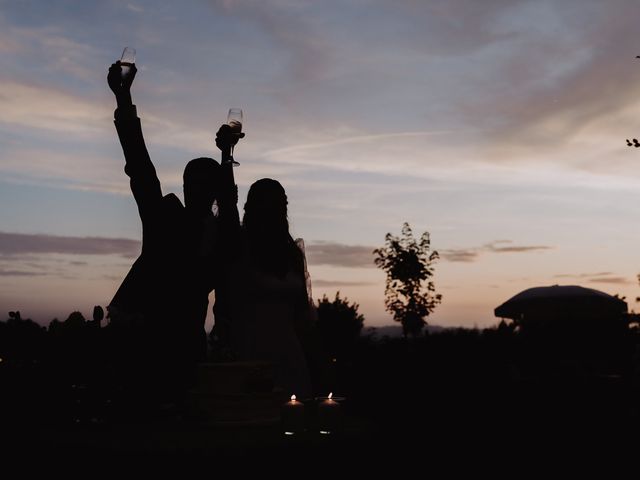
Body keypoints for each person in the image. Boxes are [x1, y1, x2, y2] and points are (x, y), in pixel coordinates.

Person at [106, 60, 241, 407]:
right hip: (140, 342)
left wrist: (226, 155)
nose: (193, 190)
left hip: (188, 349)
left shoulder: (219, 236)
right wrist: (123, 99)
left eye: (202, 184)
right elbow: (138, 163)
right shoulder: (163, 216)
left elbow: (229, 206)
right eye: (190, 183)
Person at [222, 178, 321, 399]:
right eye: (266, 204)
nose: (272, 212)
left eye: (278, 205)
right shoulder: (239, 248)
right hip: (250, 351)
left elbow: (303, 316)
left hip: (290, 352)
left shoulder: (293, 255)